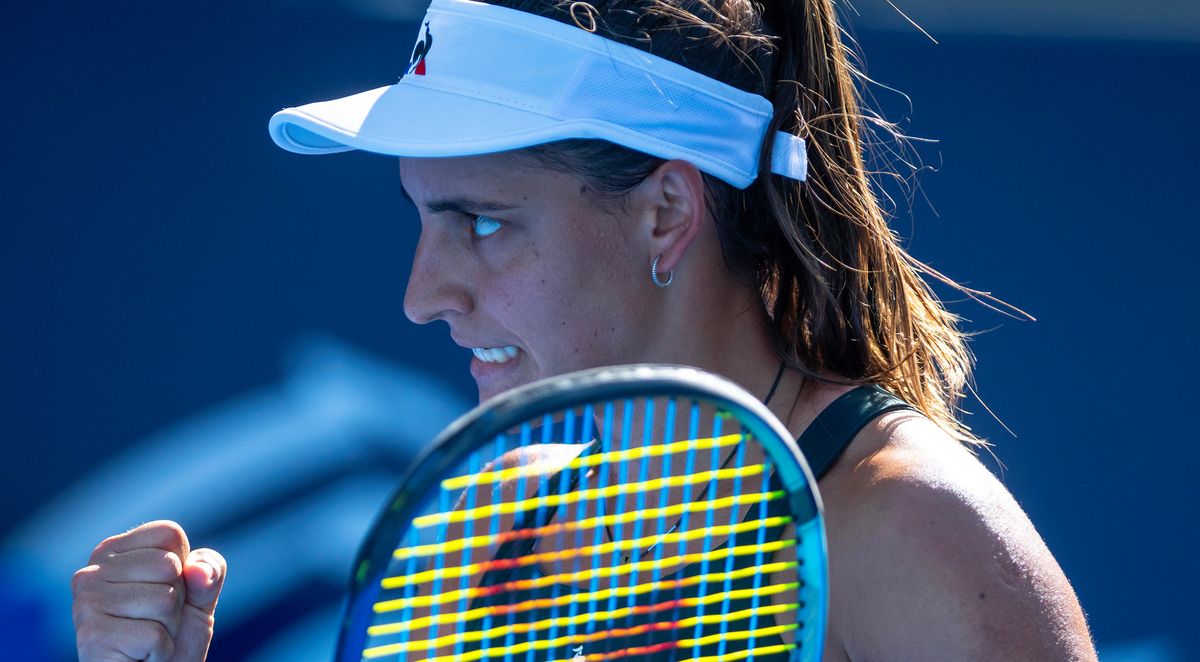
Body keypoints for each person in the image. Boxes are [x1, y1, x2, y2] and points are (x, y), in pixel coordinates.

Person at [71, 0, 1099, 659]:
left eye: (482, 220)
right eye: (423, 218)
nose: (423, 294)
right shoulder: (487, 523)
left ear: (665, 212)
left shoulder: (914, 535)